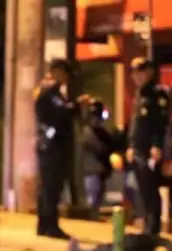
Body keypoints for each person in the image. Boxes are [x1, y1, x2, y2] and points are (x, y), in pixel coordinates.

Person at [125, 57, 170, 237]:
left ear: (150, 71)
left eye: (140, 71)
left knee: (150, 187)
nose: (136, 75)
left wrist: (156, 145)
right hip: (137, 148)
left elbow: (160, 123)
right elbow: (136, 124)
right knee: (142, 187)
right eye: (134, 72)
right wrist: (130, 146)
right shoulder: (140, 94)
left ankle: (153, 227)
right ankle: (147, 224)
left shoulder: (157, 94)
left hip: (149, 149)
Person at [34, 58, 76, 238]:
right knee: (52, 186)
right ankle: (50, 225)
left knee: (48, 186)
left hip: (49, 144)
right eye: (64, 73)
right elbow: (59, 114)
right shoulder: (50, 90)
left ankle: (44, 224)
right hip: (52, 146)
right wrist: (75, 106)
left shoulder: (50, 90)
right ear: (57, 72)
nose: (66, 78)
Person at [79, 100, 116, 211]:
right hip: (92, 171)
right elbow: (100, 149)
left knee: (96, 203)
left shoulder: (101, 132)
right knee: (92, 203)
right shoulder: (88, 133)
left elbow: (111, 145)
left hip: (100, 172)